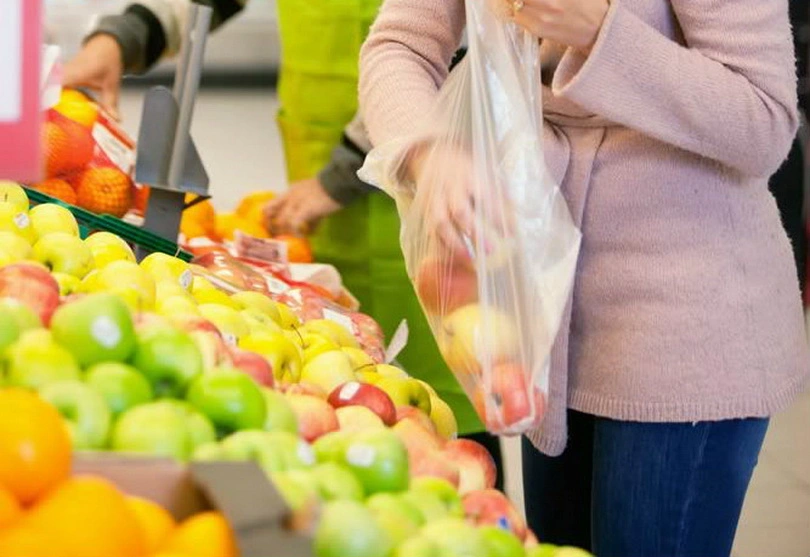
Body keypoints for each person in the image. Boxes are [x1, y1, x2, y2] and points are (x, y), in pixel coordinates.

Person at [359, 1, 810, 556]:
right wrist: (427, 149)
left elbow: (764, 123)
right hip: (540, 314)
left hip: (688, 323)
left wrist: (601, 34)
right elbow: (401, 44)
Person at [62, 0, 504, 486]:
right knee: (335, 382)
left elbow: (461, 43)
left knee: (453, 411)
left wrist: (343, 175)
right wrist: (125, 36)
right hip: (323, 191)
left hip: (444, 185)